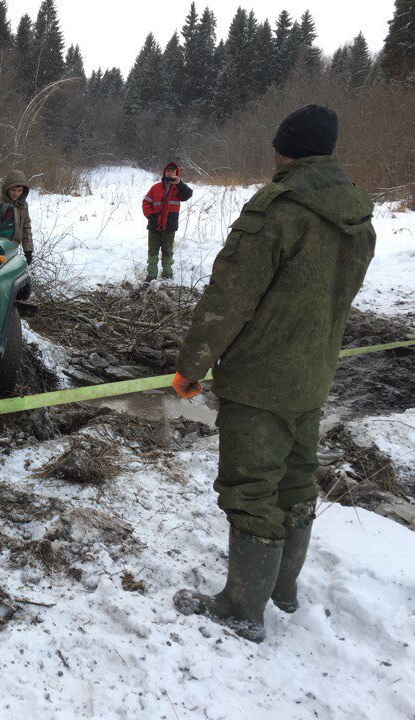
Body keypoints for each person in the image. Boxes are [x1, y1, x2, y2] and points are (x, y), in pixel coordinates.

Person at [170, 105, 376, 642]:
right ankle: (282, 591)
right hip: (313, 375)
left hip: (260, 379)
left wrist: (192, 367)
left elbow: (228, 299)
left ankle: (242, 607)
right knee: (297, 480)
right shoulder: (356, 214)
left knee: (251, 488)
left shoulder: (277, 210)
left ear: (286, 149)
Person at [141, 162, 193, 281]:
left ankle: (167, 274)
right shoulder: (156, 187)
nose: (170, 172)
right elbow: (146, 202)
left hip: (169, 226)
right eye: (168, 170)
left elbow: (188, 195)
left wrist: (179, 184)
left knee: (167, 251)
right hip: (154, 225)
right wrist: (149, 215)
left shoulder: (178, 188)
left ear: (176, 173)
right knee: (153, 250)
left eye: (173, 171)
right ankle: (152, 274)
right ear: (164, 172)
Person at [0, 171, 33, 264]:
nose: (16, 194)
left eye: (19, 190)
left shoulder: (23, 204)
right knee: (2, 271)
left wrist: (28, 250)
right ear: (7, 188)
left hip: (12, 249)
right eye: (13, 190)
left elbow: (26, 226)